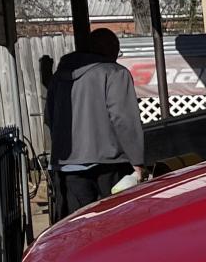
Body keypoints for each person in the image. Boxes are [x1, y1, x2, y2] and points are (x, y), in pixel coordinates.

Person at [47, 29, 145, 214]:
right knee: (116, 222)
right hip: (109, 163)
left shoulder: (58, 77)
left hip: (67, 166)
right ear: (111, 50)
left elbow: (50, 118)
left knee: (79, 224)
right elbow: (124, 120)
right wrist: (137, 161)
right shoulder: (115, 73)